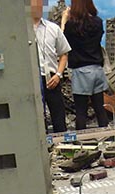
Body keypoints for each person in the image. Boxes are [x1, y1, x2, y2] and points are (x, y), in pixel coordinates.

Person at [61, 0, 110, 130]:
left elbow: (62, 42)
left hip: (81, 72)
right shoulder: (98, 22)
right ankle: (108, 137)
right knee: (100, 109)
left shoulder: (72, 25)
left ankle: (82, 140)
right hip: (97, 70)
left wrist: (64, 20)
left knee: (81, 111)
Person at [31, 0, 70, 133]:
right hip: (30, 79)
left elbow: (64, 54)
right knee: (36, 117)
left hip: (52, 78)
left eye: (40, 4)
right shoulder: (21, 30)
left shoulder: (53, 28)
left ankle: (62, 142)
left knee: (58, 115)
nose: (38, 7)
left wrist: (58, 74)